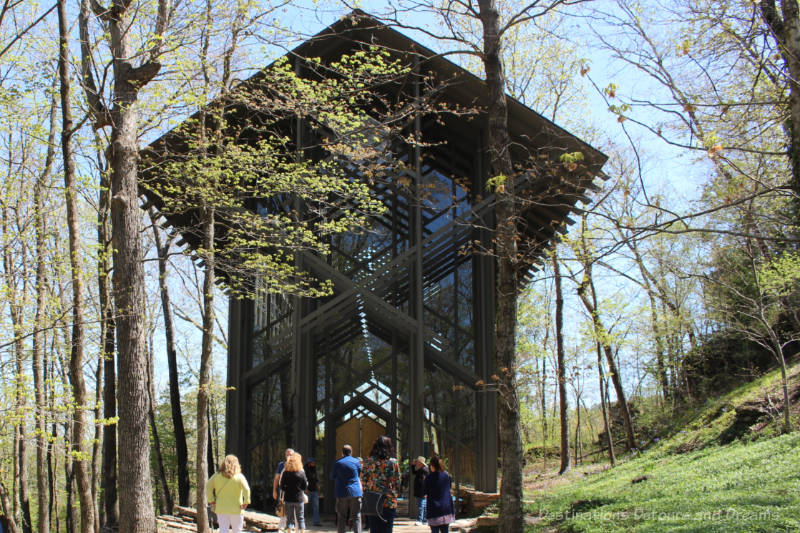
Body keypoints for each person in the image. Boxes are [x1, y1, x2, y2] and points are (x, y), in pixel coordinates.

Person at [361, 436, 400, 533]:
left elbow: (363, 480)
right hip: (388, 501)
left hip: (372, 501)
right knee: (387, 529)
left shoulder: (368, 462)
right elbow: (397, 482)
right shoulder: (393, 463)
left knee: (374, 529)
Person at [207, 454, 251, 533]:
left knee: (223, 530)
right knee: (237, 531)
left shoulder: (216, 476)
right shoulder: (239, 477)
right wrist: (246, 501)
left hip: (221, 508)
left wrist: (211, 500)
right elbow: (247, 489)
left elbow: (208, 486)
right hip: (237, 508)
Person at [331, 444, 363, 533]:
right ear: (351, 452)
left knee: (341, 517)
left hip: (342, 492)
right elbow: (359, 474)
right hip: (355, 492)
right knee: (356, 516)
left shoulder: (338, 463)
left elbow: (332, 476)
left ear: (342, 453)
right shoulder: (356, 462)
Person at [422, 456, 455, 533]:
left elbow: (424, 491)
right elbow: (449, 488)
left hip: (434, 509)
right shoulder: (447, 476)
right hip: (446, 508)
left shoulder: (429, 478)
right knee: (445, 530)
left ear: (432, 465)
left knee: (435, 531)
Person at [280, 452, 308, 532]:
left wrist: (287, 489)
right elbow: (305, 486)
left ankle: (289, 531)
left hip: (288, 498)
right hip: (299, 498)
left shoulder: (286, 473)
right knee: (300, 517)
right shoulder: (301, 473)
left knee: (289, 518)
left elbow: (282, 486)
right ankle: (302, 531)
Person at [273, 448, 294, 530]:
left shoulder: (297, 465)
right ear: (285, 455)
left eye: (291, 454)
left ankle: (290, 527)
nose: (289, 456)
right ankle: (281, 528)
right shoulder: (281, 465)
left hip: (293, 492)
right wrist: (274, 490)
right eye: (288, 454)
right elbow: (276, 478)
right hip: (283, 492)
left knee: (293, 510)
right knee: (282, 509)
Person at [305, 457, 321, 526]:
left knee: (316, 506)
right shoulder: (304, 470)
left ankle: (316, 522)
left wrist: (318, 487)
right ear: (309, 463)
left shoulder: (314, 469)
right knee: (304, 506)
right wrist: (305, 489)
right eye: (313, 462)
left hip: (314, 490)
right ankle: (301, 521)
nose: (314, 464)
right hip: (307, 490)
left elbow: (316, 479)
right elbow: (303, 480)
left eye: (314, 462)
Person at [412, 456, 429, 526]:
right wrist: (413, 465)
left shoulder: (424, 470)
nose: (417, 463)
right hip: (421, 491)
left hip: (421, 491)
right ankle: (424, 520)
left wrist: (424, 491)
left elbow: (423, 482)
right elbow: (414, 472)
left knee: (421, 505)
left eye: (418, 462)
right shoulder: (421, 469)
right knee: (423, 505)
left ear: (421, 463)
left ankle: (420, 519)